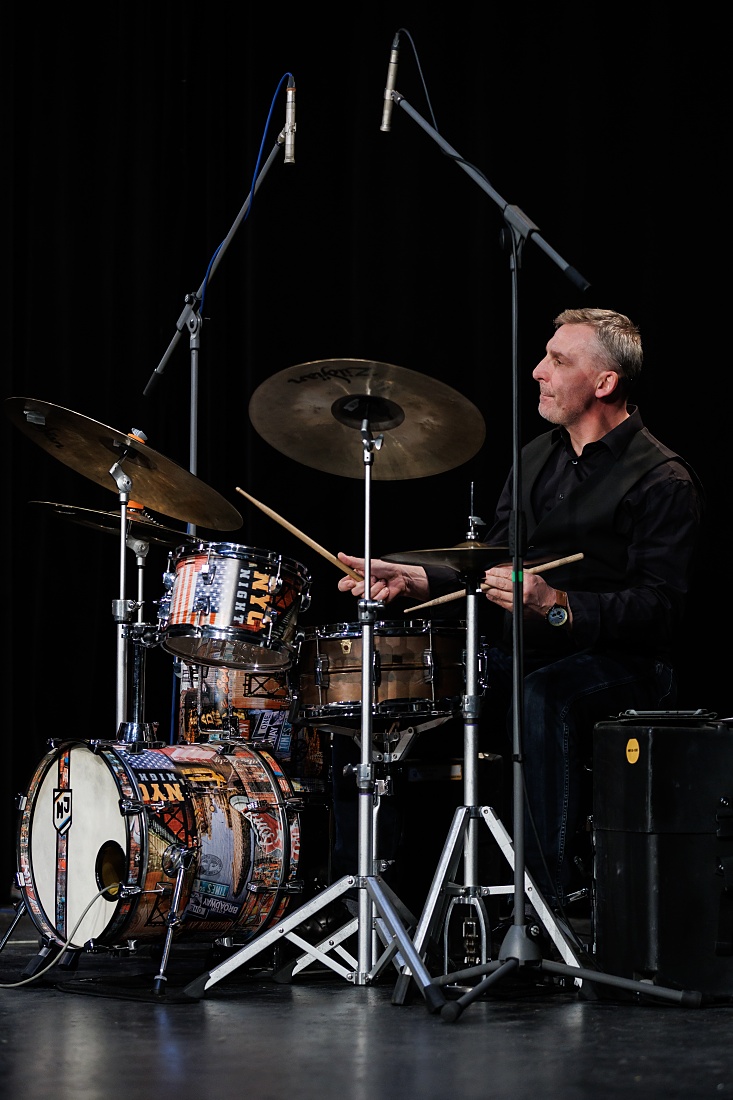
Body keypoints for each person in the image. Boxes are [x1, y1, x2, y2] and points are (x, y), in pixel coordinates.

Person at [335, 307, 704, 915]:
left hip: (623, 664)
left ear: (605, 382)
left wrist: (557, 605)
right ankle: (378, 904)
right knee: (390, 691)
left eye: (558, 360)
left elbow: (659, 608)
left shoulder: (663, 478)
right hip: (521, 653)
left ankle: (543, 906)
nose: (538, 371)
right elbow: (491, 564)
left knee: (543, 695)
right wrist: (415, 580)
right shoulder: (535, 456)